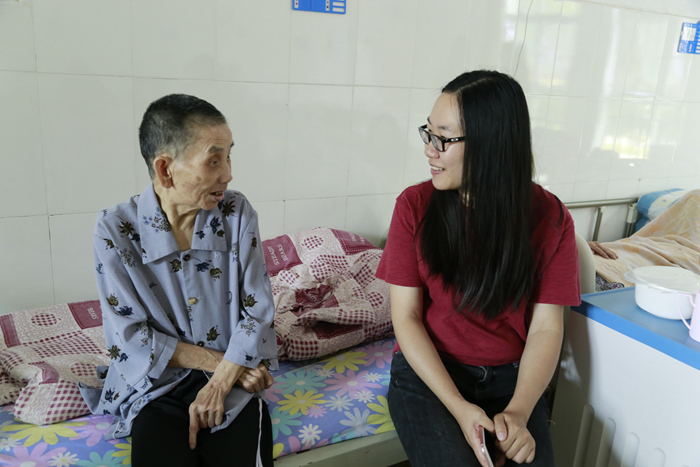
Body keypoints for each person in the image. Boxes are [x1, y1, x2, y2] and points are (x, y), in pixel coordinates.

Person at [376, 71, 581, 467]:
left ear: (491, 145)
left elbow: (545, 328)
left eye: (443, 138)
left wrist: (519, 412)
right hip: (433, 376)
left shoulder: (550, 218)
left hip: (513, 381)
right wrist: (459, 407)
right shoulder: (414, 207)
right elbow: (406, 318)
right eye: (428, 133)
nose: (429, 150)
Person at [80, 94, 278, 467]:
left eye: (229, 157)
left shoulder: (236, 212)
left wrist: (223, 381)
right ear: (165, 169)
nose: (228, 174)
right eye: (214, 160)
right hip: (156, 386)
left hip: (233, 383)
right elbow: (131, 336)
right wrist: (230, 367)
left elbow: (258, 310)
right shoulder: (115, 229)